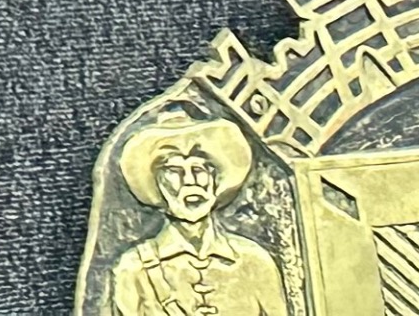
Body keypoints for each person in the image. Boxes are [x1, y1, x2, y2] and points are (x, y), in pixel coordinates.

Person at [103, 115, 287, 316]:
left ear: (215, 180)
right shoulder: (134, 269)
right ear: (157, 184)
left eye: (199, 169)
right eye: (174, 171)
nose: (190, 181)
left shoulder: (254, 261)